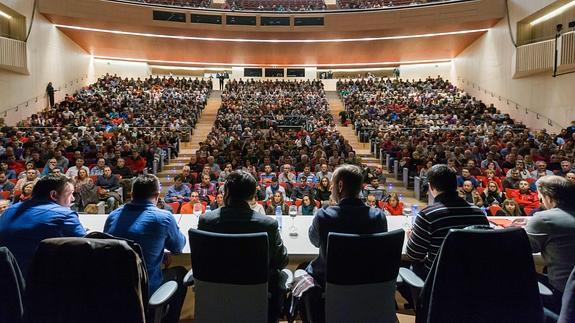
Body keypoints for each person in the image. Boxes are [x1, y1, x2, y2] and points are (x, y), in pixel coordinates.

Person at [198, 170, 289, 322]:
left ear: (226, 192)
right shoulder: (267, 224)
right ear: (253, 195)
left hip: (218, 296)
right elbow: (281, 261)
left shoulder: (206, 221)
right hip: (257, 296)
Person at [303, 164, 388, 322]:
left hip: (332, 283)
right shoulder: (378, 216)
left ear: (340, 185)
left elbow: (314, 241)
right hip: (368, 282)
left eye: (333, 185)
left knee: (303, 270)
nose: (330, 189)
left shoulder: (324, 216)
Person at [104, 175, 187, 323]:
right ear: (156, 196)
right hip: (147, 289)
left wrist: (158, 252)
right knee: (180, 273)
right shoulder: (163, 218)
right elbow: (178, 247)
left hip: (115, 288)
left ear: (132, 194)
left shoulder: (113, 216)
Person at [406, 164, 488, 278]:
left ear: (431, 187)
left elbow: (414, 255)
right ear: (456, 185)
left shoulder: (427, 215)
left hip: (437, 280)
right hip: (472, 279)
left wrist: (411, 237)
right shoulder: (479, 214)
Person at [0, 174, 86, 275]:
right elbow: (86, 248)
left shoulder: (8, 210)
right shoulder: (64, 215)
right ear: (53, 195)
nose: (73, 199)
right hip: (39, 280)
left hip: (6, 279)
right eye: (70, 194)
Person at [525, 175, 575, 313]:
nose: (540, 200)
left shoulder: (544, 219)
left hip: (564, 295)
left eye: (540, 196)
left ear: (548, 197)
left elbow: (521, 250)